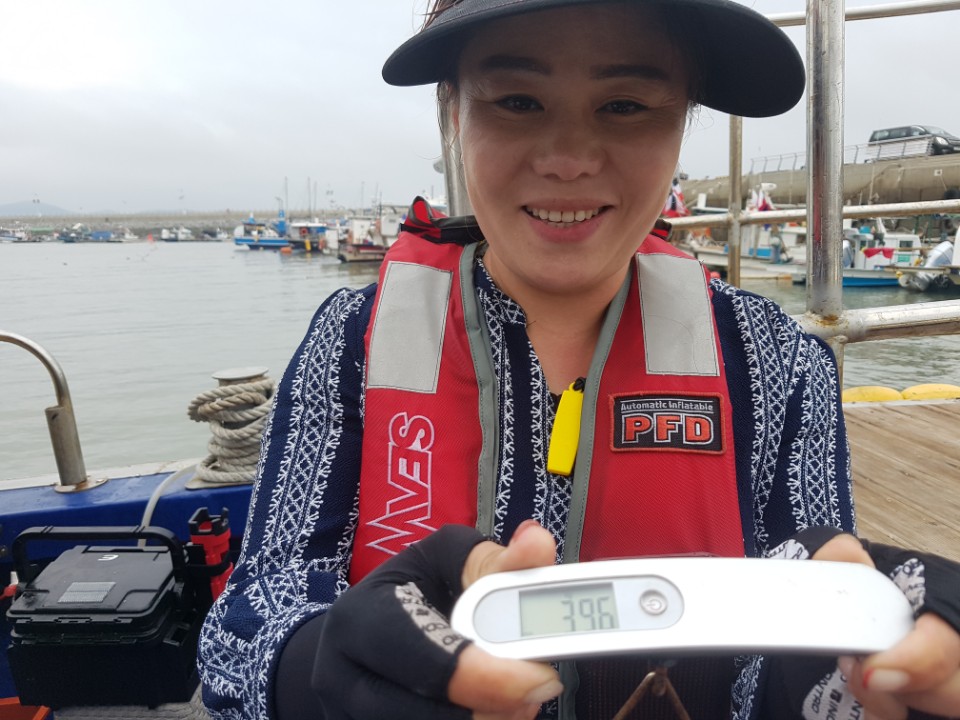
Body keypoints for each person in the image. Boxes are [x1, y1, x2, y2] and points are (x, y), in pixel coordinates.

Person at [198, 1, 960, 718]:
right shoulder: (350, 338)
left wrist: (885, 663)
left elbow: (814, 592)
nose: (568, 160)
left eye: (625, 105)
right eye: (517, 101)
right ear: (453, 113)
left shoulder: (777, 358)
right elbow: (249, 622)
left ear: (682, 124)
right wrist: (319, 667)